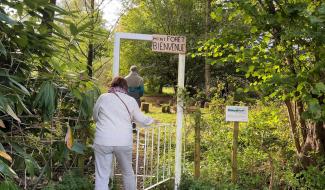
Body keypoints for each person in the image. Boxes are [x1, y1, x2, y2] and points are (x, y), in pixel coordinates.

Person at [92, 76, 154, 190]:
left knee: (102, 176)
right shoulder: (130, 100)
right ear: (125, 88)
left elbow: (95, 116)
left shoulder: (103, 97)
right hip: (123, 142)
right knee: (127, 172)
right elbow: (140, 119)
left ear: (112, 85)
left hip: (103, 140)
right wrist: (151, 121)